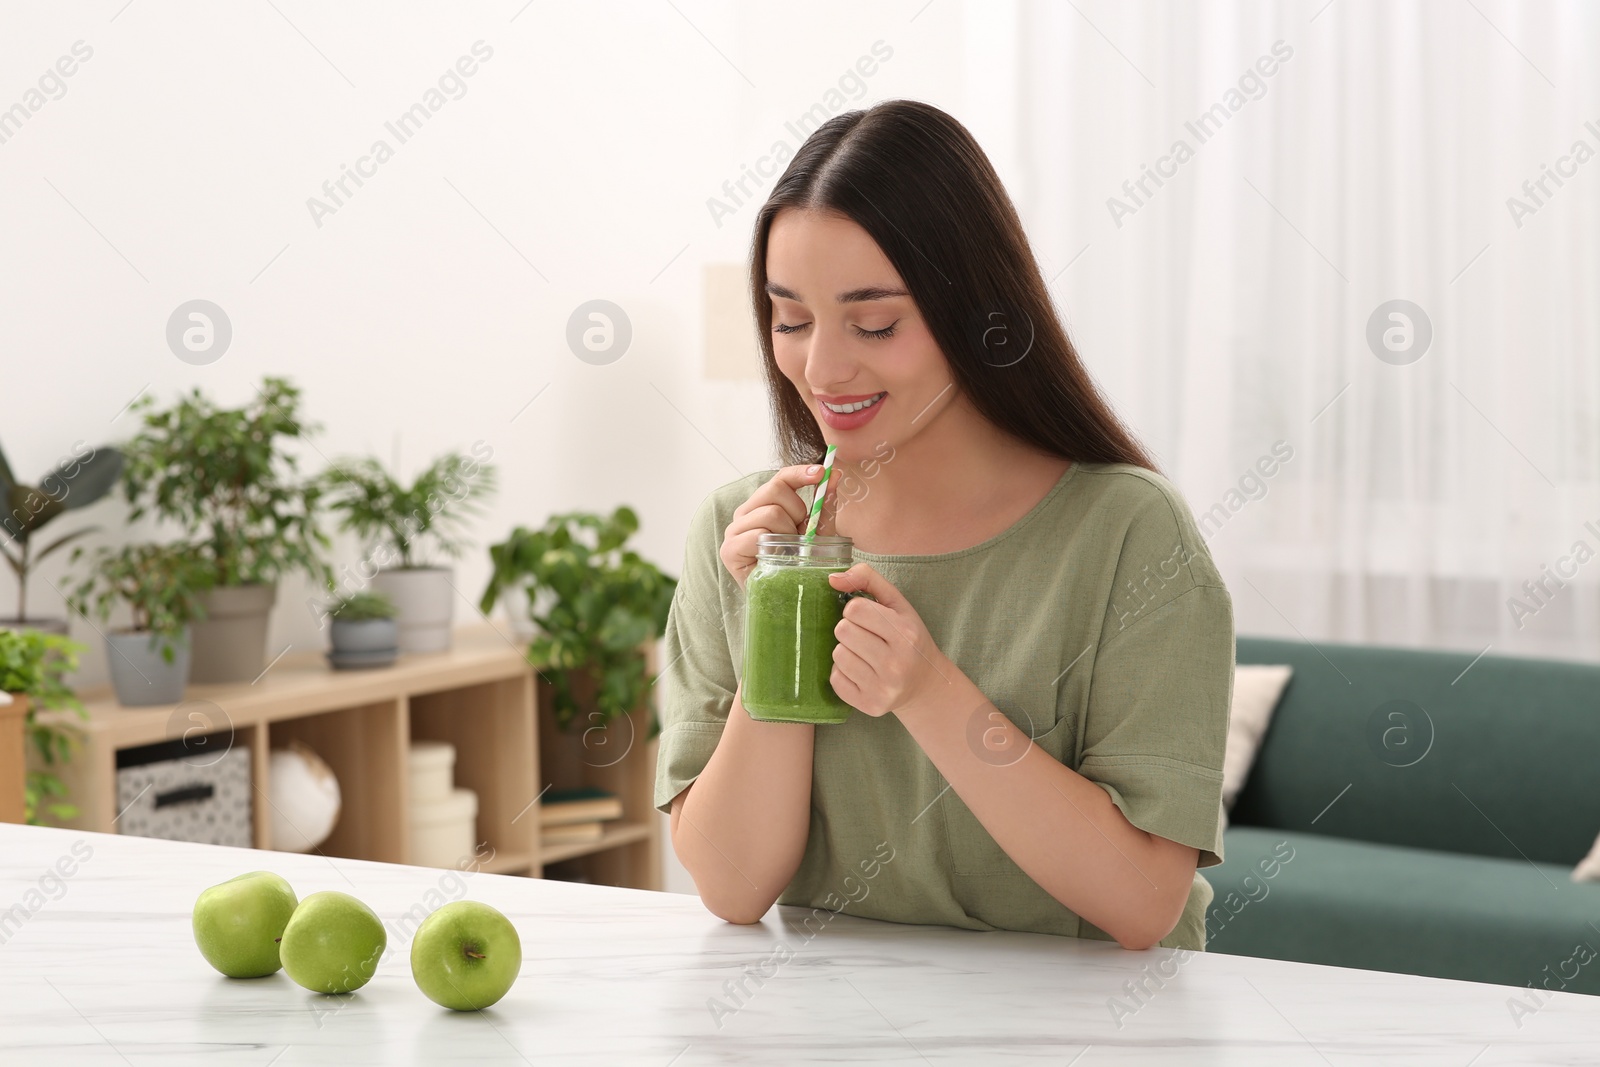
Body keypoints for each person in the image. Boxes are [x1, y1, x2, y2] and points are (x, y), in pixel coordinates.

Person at [654, 99, 1234, 951]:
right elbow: (735, 888)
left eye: (875, 323)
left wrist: (927, 691)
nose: (822, 367)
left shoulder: (1127, 534)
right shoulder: (744, 532)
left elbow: (1144, 901)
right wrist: (780, 620)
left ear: (977, 312)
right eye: (791, 319)